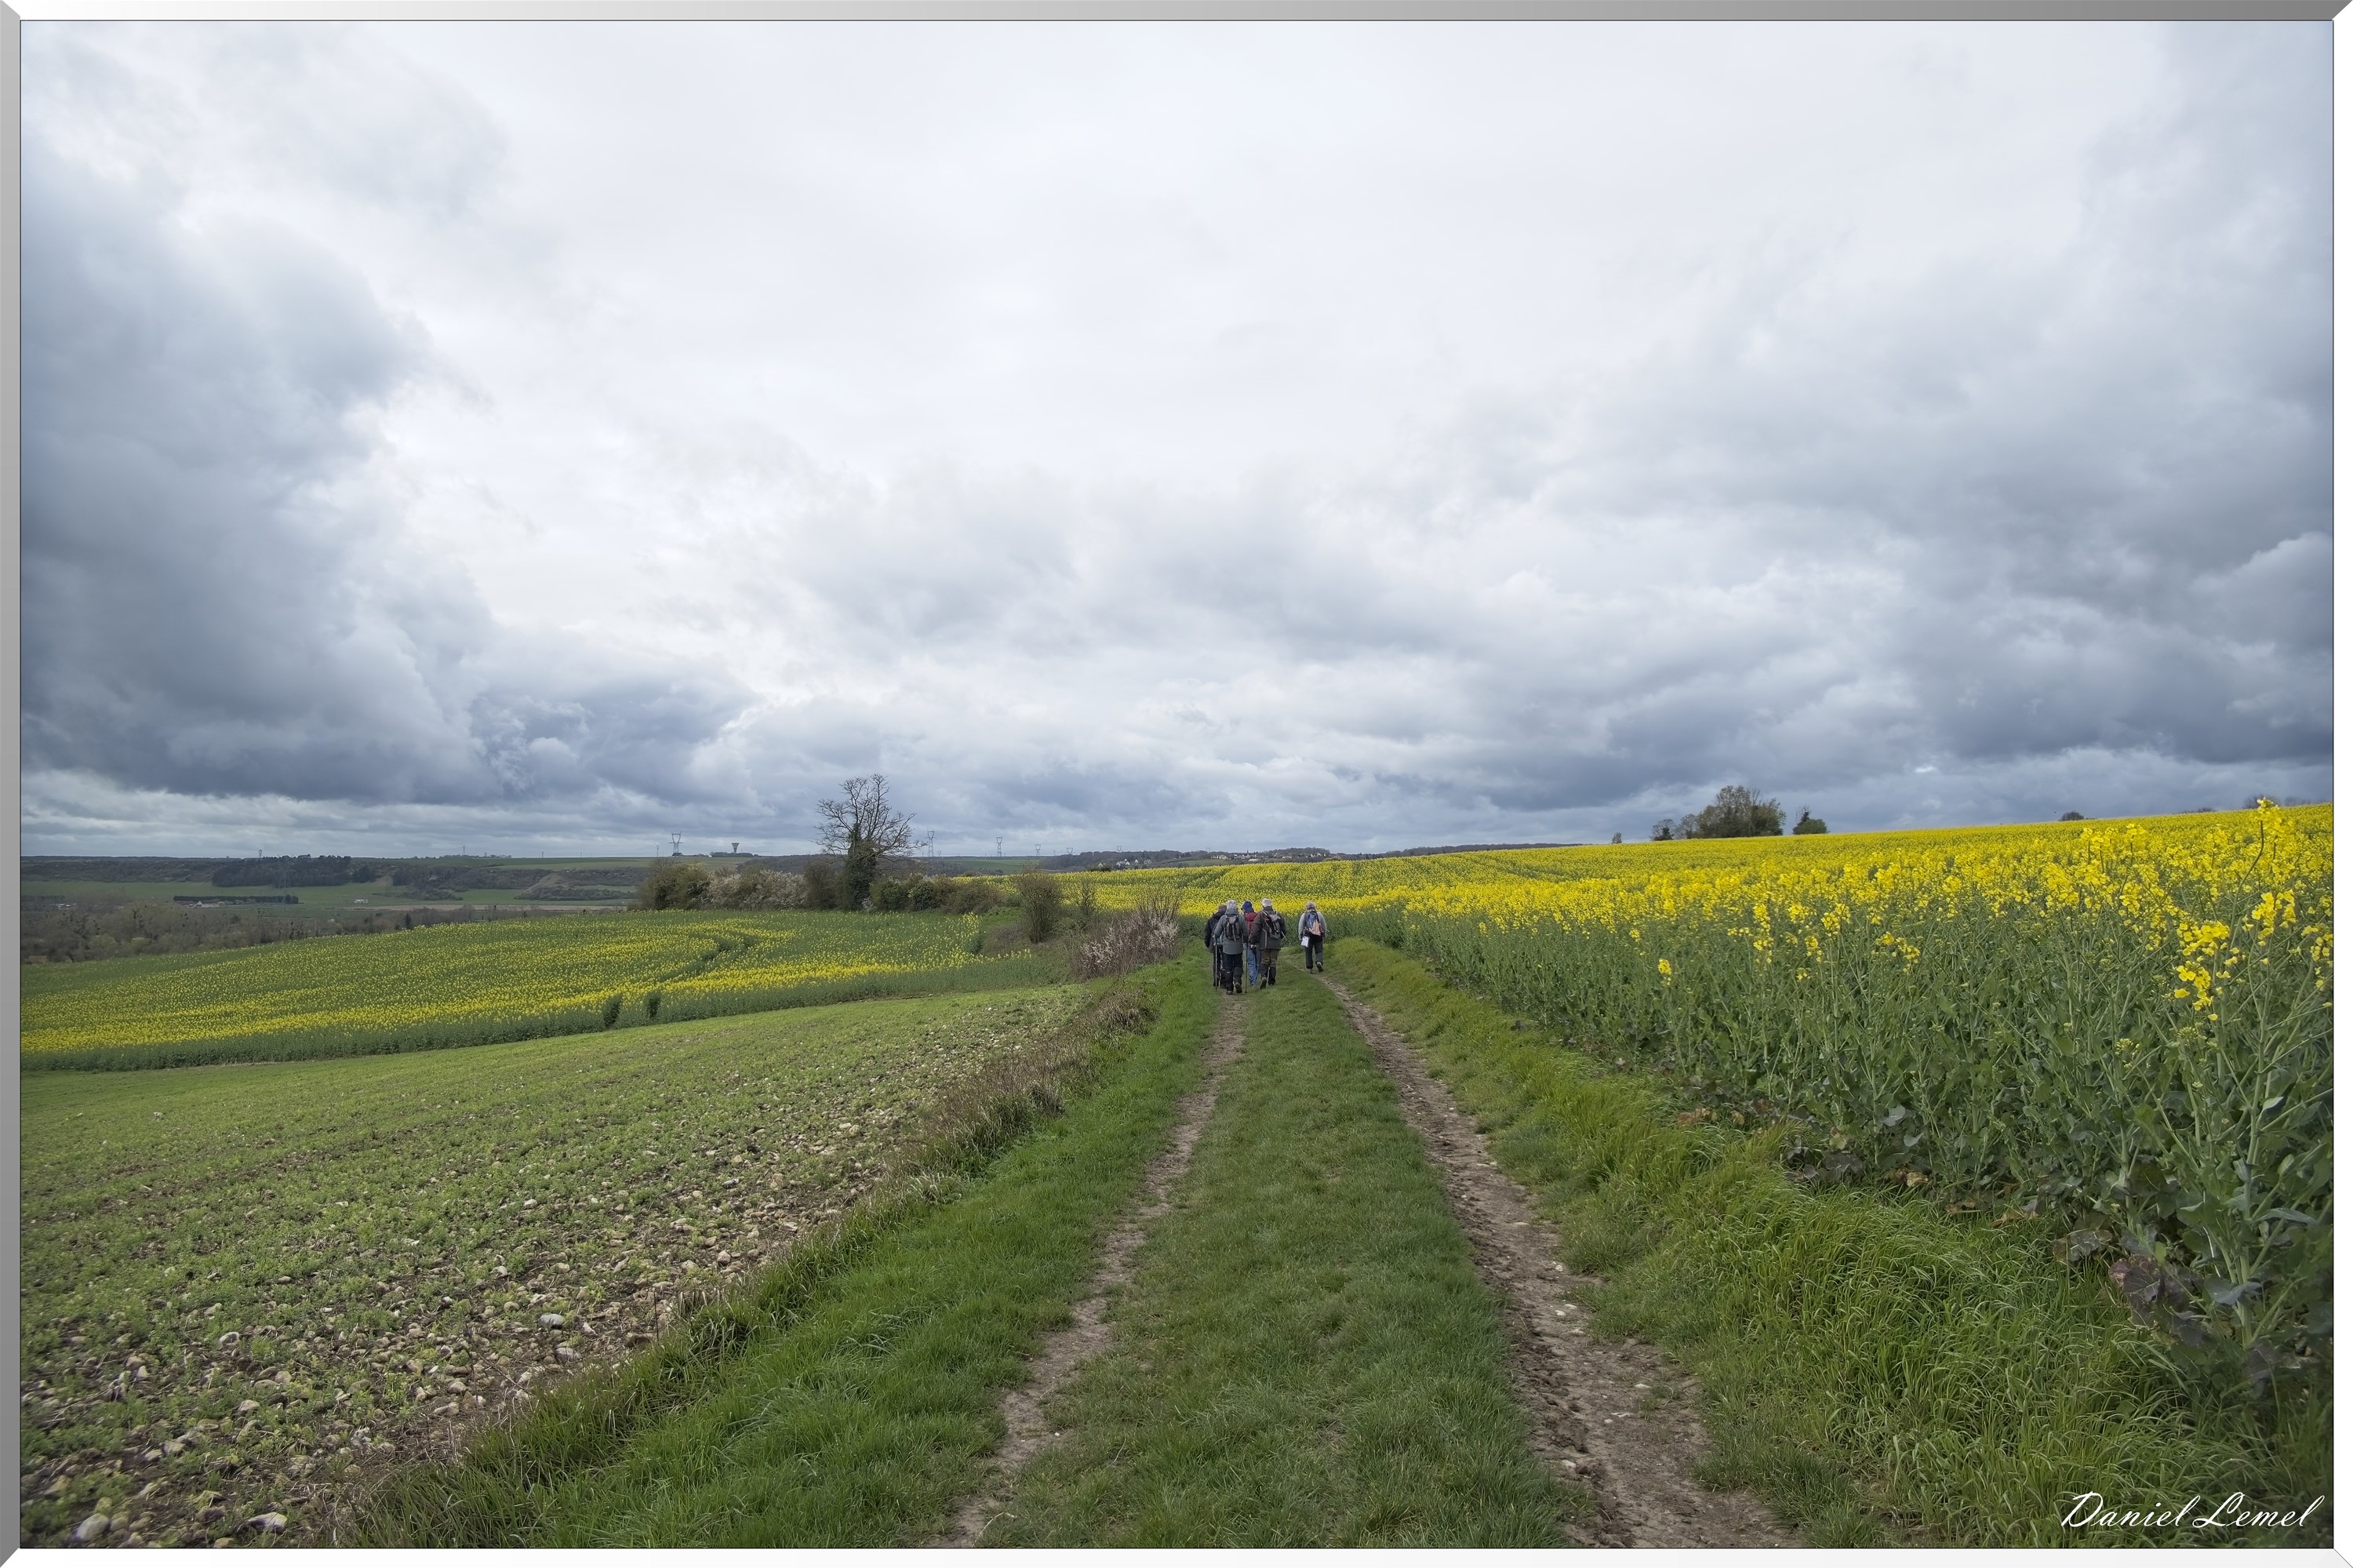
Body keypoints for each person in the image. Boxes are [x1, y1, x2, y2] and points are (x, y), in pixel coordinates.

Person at [1213, 899, 1246, 993]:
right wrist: (1246, 940)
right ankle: (1237, 981)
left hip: (1226, 948)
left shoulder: (1224, 918)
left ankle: (1229, 989)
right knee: (1238, 965)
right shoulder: (1240, 918)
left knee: (1228, 967)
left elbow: (1217, 932)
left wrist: (1215, 938)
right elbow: (1245, 932)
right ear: (1236, 908)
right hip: (1238, 947)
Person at [1254, 900, 1286, 986]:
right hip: (1276, 943)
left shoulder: (1261, 915)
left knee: (1265, 960)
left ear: (1263, 906)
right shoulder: (1278, 914)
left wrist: (1254, 940)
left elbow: (1255, 930)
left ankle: (1264, 976)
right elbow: (1284, 929)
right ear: (1271, 906)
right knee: (1273, 961)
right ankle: (1272, 981)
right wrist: (1280, 937)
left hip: (1264, 943)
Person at [1300, 900, 1326, 971]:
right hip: (1318, 935)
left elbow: (1301, 927)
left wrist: (1300, 936)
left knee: (1308, 952)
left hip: (1307, 936)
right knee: (1319, 951)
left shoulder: (1304, 915)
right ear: (1315, 907)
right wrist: (1324, 934)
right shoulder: (1319, 914)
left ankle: (1310, 968)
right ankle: (1319, 961)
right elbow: (1324, 925)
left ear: (1307, 908)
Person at [1239, 900, 1260, 988]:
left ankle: (1253, 982)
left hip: (1248, 941)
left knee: (1251, 961)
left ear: (1244, 909)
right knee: (1258, 961)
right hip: (1257, 941)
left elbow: (1243, 930)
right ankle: (1258, 978)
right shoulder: (1258, 916)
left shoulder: (1243, 917)